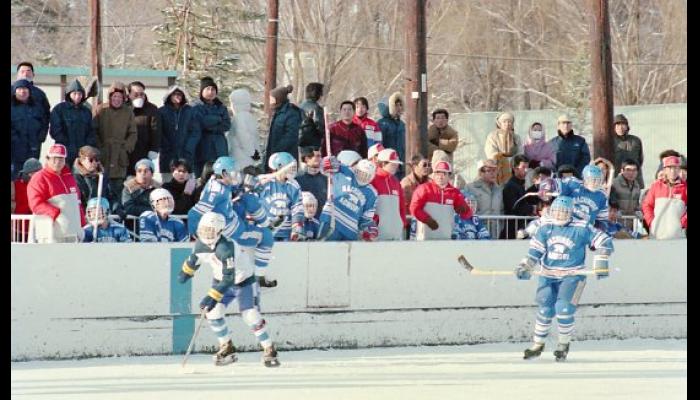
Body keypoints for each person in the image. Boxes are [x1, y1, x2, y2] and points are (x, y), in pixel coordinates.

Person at [176, 211, 280, 367]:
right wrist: (186, 272)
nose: (206, 234)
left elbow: (229, 278)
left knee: (250, 315)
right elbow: (195, 258)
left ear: (219, 232)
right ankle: (226, 346)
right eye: (203, 230)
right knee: (213, 313)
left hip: (243, 282)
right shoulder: (200, 244)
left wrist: (211, 296)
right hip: (220, 281)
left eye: (210, 231)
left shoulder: (226, 248)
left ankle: (269, 348)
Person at [516, 196, 613, 361]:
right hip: (548, 275)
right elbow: (535, 252)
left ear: (570, 212)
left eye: (563, 212)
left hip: (573, 276)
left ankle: (563, 344)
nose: (560, 215)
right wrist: (526, 266)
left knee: (564, 308)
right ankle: (538, 344)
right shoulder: (545, 227)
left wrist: (602, 259)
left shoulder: (581, 227)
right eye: (557, 212)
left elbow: (604, 241)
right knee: (545, 308)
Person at [187, 156, 276, 285]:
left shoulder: (220, 180)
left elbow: (235, 187)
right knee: (267, 236)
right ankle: (259, 276)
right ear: (224, 173)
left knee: (249, 199)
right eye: (234, 172)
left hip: (232, 220)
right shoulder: (216, 192)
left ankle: (266, 223)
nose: (237, 175)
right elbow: (194, 213)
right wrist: (196, 236)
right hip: (234, 233)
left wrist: (249, 186)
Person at [27, 144, 86, 243]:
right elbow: (36, 204)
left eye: (61, 159)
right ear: (47, 159)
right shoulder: (39, 178)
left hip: (71, 231)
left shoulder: (69, 177)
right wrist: (56, 214)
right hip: (49, 231)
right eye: (54, 158)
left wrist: (81, 223)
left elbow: (76, 202)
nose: (57, 162)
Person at [94, 81, 138, 200]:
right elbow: (94, 130)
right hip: (104, 154)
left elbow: (133, 133)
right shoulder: (101, 109)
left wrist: (126, 148)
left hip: (120, 155)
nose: (117, 99)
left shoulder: (128, 112)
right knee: (101, 187)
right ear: (110, 97)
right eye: (114, 96)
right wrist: (99, 147)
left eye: (120, 97)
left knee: (118, 189)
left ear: (123, 98)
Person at [318, 157, 378, 241]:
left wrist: (369, 228)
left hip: (350, 231)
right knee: (321, 250)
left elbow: (365, 218)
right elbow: (323, 168)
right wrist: (327, 162)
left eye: (366, 175)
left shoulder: (372, 193)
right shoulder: (345, 171)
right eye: (361, 173)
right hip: (330, 221)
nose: (363, 177)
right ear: (356, 169)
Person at [410, 160, 471, 240]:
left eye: (444, 173)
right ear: (433, 174)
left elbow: (466, 214)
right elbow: (414, 208)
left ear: (449, 176)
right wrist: (427, 219)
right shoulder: (424, 189)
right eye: (438, 173)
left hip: (446, 237)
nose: (440, 176)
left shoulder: (455, 193)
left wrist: (465, 209)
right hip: (424, 238)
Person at [49, 79, 97, 167]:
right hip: (64, 151)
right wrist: (66, 144)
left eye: (79, 94)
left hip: (82, 153)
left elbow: (91, 131)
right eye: (74, 93)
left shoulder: (86, 111)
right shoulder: (59, 109)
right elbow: (55, 130)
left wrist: (87, 147)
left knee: (80, 176)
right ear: (69, 94)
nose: (77, 96)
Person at [190, 77, 231, 176]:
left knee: (221, 173)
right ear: (202, 91)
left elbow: (226, 125)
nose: (211, 92)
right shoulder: (195, 107)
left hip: (219, 145)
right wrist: (217, 119)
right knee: (203, 174)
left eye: (213, 89)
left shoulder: (221, 107)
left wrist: (211, 123)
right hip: (202, 145)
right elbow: (201, 123)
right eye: (207, 89)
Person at [259, 152, 304, 241]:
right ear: (279, 167)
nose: (292, 171)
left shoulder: (293, 185)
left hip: (286, 233)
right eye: (290, 168)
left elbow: (297, 208)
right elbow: (253, 204)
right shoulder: (265, 183)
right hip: (266, 230)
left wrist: (296, 229)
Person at [11, 79, 50, 178]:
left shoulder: (37, 106)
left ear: (29, 91)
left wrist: (42, 135)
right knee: (16, 174)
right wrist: (15, 138)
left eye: (25, 89)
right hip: (15, 148)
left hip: (33, 145)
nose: (22, 92)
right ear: (15, 91)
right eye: (19, 89)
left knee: (33, 173)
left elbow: (45, 121)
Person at [642, 155, 687, 239]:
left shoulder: (685, 187)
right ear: (665, 170)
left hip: (677, 235)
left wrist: (682, 223)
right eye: (670, 168)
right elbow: (647, 205)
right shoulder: (656, 186)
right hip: (656, 235)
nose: (673, 171)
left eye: (676, 168)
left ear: (679, 169)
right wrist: (651, 222)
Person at [158, 85, 200, 176]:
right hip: (167, 154)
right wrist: (165, 146)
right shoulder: (162, 111)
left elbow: (195, 131)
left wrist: (189, 148)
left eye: (180, 94)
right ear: (169, 96)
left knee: (186, 181)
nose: (177, 96)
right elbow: (158, 131)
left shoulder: (190, 111)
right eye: (174, 94)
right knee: (168, 181)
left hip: (185, 153)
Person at [72, 145, 120, 216]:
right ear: (82, 160)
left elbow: (112, 197)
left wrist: (117, 209)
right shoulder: (75, 178)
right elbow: (76, 202)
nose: (94, 163)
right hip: (85, 218)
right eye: (91, 160)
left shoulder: (103, 176)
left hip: (104, 216)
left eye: (96, 160)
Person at [370, 148, 407, 240]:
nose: (396, 166)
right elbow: (367, 206)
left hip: (396, 234)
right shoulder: (372, 180)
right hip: (377, 234)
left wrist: (401, 223)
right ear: (383, 163)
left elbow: (401, 206)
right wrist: (375, 223)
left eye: (396, 164)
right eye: (393, 163)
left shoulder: (396, 182)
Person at [559, 165, 609, 231]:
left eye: (597, 180)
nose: (594, 182)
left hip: (585, 230)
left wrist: (599, 230)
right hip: (566, 226)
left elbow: (601, 220)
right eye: (592, 179)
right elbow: (555, 186)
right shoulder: (572, 183)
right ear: (584, 178)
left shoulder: (602, 195)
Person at [265, 85, 302, 170]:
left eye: (272, 99)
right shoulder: (278, 112)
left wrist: (277, 150)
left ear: (279, 99)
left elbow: (291, 135)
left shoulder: (291, 113)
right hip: (275, 155)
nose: (270, 101)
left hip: (285, 157)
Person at [466, 159, 503, 238]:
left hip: (495, 234)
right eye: (489, 170)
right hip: (478, 232)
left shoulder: (499, 189)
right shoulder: (470, 188)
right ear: (480, 173)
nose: (493, 173)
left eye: (495, 170)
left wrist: (500, 227)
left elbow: (502, 210)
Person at [484, 112, 521, 185]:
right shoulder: (493, 136)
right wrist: (503, 160)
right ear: (499, 123)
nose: (507, 124)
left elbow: (520, 152)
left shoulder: (516, 137)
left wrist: (515, 161)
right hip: (498, 165)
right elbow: (490, 152)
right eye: (504, 122)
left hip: (513, 165)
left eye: (509, 122)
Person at [501, 154, 533, 239]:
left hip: (519, 227)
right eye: (523, 167)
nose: (526, 170)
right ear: (515, 168)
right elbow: (514, 207)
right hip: (512, 229)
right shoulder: (511, 186)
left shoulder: (521, 185)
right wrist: (532, 208)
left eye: (527, 168)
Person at [228, 88, 261, 170]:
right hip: (249, 155)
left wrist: (252, 152)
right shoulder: (249, 117)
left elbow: (243, 136)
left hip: (241, 156)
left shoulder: (239, 118)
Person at [377, 92, 406, 179]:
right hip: (388, 163)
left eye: (400, 105)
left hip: (401, 164)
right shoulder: (382, 123)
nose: (399, 108)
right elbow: (379, 145)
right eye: (396, 105)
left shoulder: (402, 124)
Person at [12, 158, 42, 241]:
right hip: (18, 227)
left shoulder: (43, 186)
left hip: (37, 228)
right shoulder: (15, 186)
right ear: (28, 173)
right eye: (35, 173)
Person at [612, 114, 644, 188]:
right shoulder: (610, 141)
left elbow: (640, 159)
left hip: (635, 179)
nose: (620, 127)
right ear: (613, 127)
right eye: (617, 125)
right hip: (617, 179)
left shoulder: (636, 140)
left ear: (627, 126)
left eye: (623, 124)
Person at [295, 147, 327, 218]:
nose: (319, 159)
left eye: (320, 156)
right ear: (307, 159)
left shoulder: (326, 180)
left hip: (321, 220)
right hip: (303, 220)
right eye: (317, 156)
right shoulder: (298, 180)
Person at [401, 155, 431, 219]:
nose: (427, 167)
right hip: (410, 220)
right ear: (415, 167)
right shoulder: (406, 183)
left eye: (429, 165)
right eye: (424, 165)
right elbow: (406, 206)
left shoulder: (431, 182)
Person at [298, 82, 325, 150]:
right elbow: (320, 126)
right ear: (318, 94)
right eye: (321, 93)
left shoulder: (300, 106)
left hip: (300, 141)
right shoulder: (317, 108)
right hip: (313, 143)